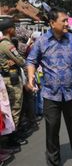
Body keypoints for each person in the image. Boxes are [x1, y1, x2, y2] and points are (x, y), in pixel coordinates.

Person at [26, 7, 72, 166]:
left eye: (67, 20)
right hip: (50, 94)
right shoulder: (41, 41)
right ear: (52, 23)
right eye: (64, 21)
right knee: (52, 128)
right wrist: (30, 77)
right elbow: (31, 61)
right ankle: (53, 160)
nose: (67, 23)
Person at [0, 18, 27, 147]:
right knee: (15, 108)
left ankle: (9, 136)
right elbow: (21, 61)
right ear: (10, 29)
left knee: (8, 108)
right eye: (14, 28)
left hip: (5, 79)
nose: (15, 30)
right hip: (12, 80)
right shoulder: (7, 45)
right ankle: (12, 138)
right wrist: (16, 61)